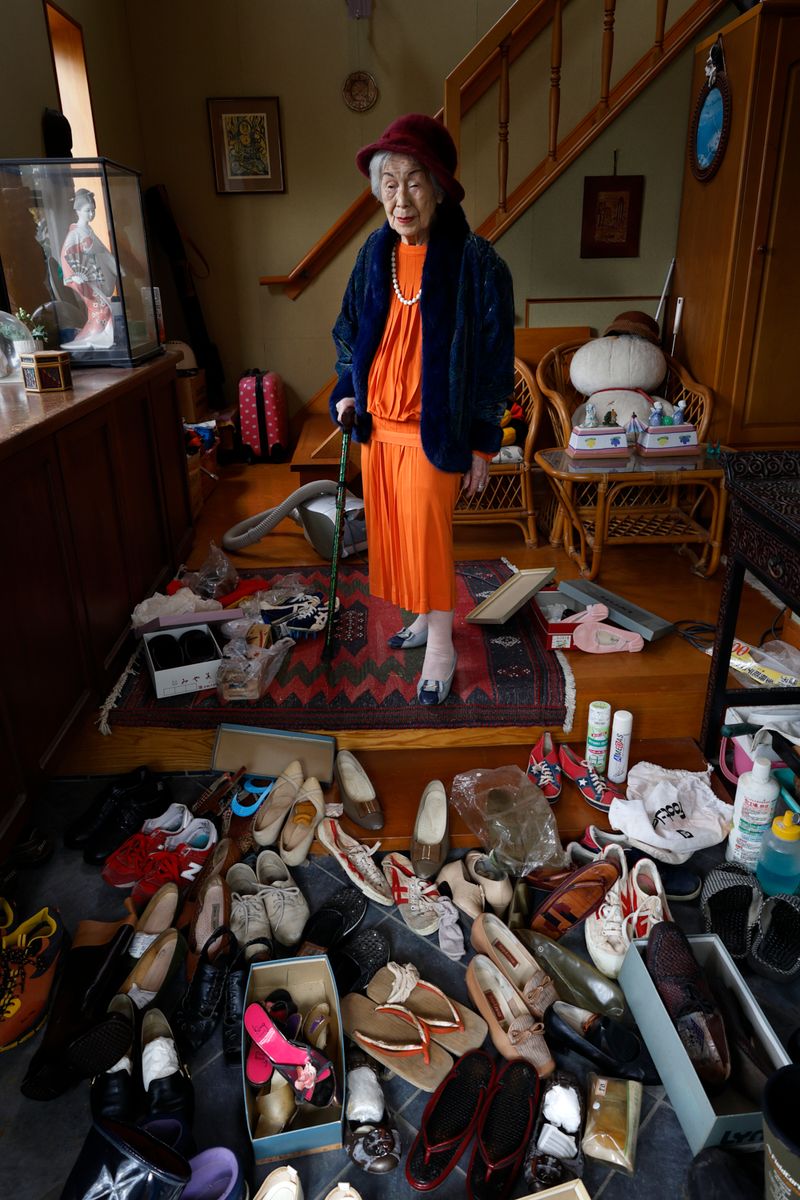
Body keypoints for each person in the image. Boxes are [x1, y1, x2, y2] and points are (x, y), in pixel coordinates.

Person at [330, 114, 515, 705]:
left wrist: (484, 441)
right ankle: (422, 619)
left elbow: (493, 360)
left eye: (414, 181)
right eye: (390, 182)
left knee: (429, 537)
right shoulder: (374, 252)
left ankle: (442, 645)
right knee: (397, 536)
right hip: (378, 431)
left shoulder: (477, 262)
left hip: (435, 432)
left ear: (437, 186)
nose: (400, 198)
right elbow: (349, 328)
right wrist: (348, 390)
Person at [60, 187, 118, 350]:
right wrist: (73, 277)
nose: (91, 214)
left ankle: (96, 339)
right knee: (102, 308)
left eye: (93, 210)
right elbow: (65, 256)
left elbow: (102, 252)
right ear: (78, 211)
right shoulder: (75, 234)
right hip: (84, 279)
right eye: (87, 211)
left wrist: (115, 266)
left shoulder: (88, 231)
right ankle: (88, 339)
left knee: (105, 308)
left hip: (95, 275)